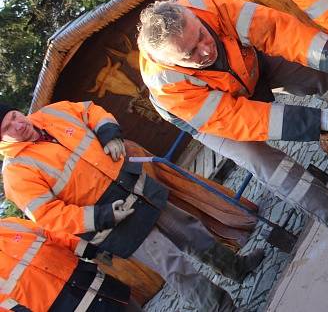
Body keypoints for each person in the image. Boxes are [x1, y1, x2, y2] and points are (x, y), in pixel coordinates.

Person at [137, 0, 328, 253]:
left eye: (201, 36)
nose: (206, 51)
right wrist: (320, 120)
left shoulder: (213, 6)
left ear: (194, 16)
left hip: (248, 62)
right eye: (190, 54)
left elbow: (280, 31)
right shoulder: (167, 84)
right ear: (170, 61)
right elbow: (239, 119)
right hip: (211, 116)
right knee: (265, 163)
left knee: (317, 74)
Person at [0, 101, 261, 311]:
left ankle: (236, 267)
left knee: (190, 230)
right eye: (6, 127)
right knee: (173, 265)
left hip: (137, 188)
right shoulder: (16, 173)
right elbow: (49, 216)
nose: (16, 124)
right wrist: (102, 216)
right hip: (113, 223)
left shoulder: (53, 113)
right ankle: (222, 307)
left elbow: (91, 111)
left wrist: (109, 134)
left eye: (13, 115)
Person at [0, 217, 140, 312]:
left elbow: (53, 234)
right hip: (59, 306)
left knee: (129, 304)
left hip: (87, 278)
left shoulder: (7, 224)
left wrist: (90, 250)